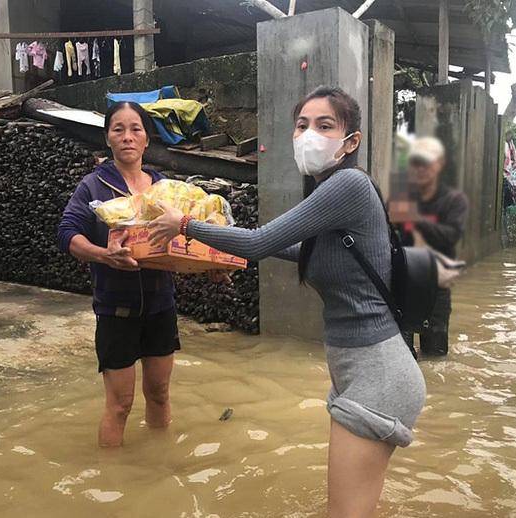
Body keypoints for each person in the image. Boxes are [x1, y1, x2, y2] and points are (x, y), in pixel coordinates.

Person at [148, 86, 426, 517]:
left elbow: (259, 242)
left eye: (325, 125)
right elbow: (301, 254)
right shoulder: (331, 192)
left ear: (351, 141)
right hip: (362, 369)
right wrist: (221, 254)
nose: (309, 134)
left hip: (378, 374)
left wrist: (185, 224)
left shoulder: (347, 184)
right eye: (302, 125)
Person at [57, 102, 181, 448]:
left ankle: (159, 463)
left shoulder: (164, 188)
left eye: (135, 129)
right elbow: (68, 234)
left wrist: (213, 270)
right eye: (118, 129)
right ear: (108, 139)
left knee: (159, 393)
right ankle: (111, 484)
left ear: (146, 140)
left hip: (160, 306)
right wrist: (104, 256)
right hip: (116, 310)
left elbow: (187, 238)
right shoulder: (94, 187)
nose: (127, 137)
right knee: (121, 404)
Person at [389, 137, 469, 357]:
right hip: (403, 286)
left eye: (426, 162)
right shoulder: (401, 199)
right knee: (401, 356)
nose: (420, 168)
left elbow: (451, 236)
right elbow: (384, 235)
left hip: (437, 286)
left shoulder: (454, 201)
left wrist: (417, 220)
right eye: (416, 162)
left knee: (436, 356)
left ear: (439, 163)